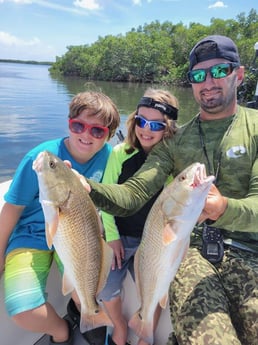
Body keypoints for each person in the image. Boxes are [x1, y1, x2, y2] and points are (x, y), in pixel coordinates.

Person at [81, 35, 258, 345]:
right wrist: (88, 189)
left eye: (219, 71)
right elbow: (134, 193)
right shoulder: (173, 142)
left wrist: (224, 208)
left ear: (239, 74)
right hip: (189, 253)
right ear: (190, 82)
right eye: (198, 75)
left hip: (251, 253)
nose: (208, 82)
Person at [0, 91, 120, 345]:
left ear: (108, 134)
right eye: (79, 125)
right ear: (69, 123)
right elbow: (11, 208)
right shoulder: (40, 158)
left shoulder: (110, 157)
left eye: (97, 131)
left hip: (78, 238)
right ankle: (62, 331)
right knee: (23, 310)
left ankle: (86, 314)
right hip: (30, 236)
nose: (86, 135)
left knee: (86, 293)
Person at [99, 88, 178, 345]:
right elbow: (108, 198)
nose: (146, 129)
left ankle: (145, 338)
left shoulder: (172, 162)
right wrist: (112, 238)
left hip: (152, 244)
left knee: (155, 293)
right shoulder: (120, 153)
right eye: (141, 121)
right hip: (119, 237)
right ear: (134, 120)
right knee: (106, 287)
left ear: (168, 128)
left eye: (156, 124)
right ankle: (119, 328)